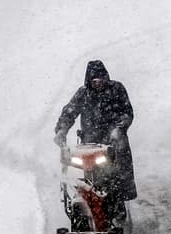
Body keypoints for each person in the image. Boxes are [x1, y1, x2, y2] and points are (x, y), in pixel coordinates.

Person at [54, 60, 138, 210]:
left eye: (101, 80)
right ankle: (86, 206)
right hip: (89, 145)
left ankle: (118, 204)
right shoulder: (83, 94)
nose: (98, 83)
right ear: (89, 81)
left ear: (106, 78)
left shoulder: (116, 89)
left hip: (113, 143)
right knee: (87, 176)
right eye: (94, 81)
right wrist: (62, 130)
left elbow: (127, 113)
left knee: (116, 174)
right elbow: (69, 112)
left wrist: (118, 129)